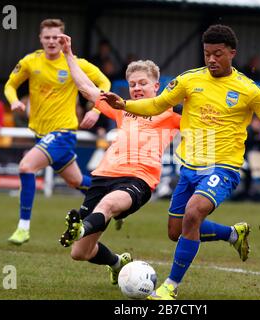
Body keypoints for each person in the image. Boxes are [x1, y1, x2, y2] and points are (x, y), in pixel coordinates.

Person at [101, 24, 260, 300]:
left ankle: (170, 287)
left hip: (223, 168)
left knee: (193, 213)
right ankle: (233, 235)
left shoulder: (250, 91)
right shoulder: (189, 80)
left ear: (232, 53)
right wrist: (124, 105)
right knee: (176, 232)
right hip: (189, 168)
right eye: (207, 54)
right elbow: (158, 104)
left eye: (218, 54)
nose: (211, 59)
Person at [56, 34, 181, 285]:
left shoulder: (170, 115)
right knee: (80, 253)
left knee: (109, 205)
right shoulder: (122, 108)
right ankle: (117, 262)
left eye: (142, 83)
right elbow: (86, 88)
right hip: (103, 176)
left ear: (156, 86)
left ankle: (79, 228)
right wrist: (68, 54)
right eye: (132, 84)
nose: (136, 88)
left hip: (138, 179)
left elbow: (204, 117)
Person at [4, 19, 111, 245]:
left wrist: (97, 108)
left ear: (64, 40)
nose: (52, 41)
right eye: (48, 37)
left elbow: (104, 81)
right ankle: (113, 202)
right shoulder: (30, 62)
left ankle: (23, 227)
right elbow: (10, 85)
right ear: (40, 39)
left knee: (26, 166)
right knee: (76, 181)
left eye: (57, 37)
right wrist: (13, 101)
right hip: (41, 135)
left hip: (62, 133)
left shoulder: (74, 63)